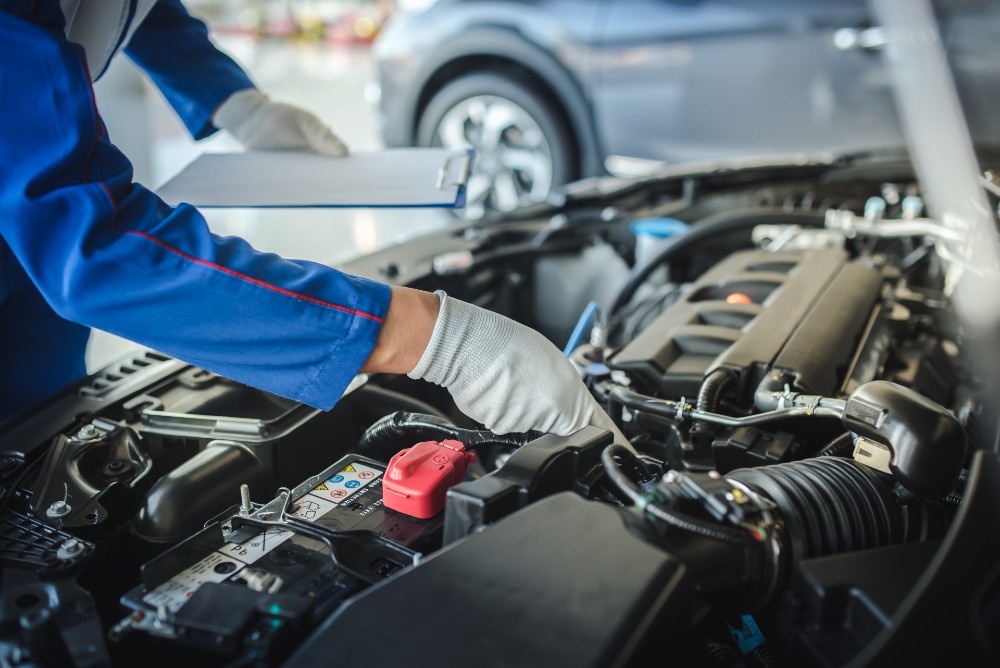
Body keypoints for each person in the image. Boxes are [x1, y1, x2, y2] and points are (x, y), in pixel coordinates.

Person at [0, 0, 624, 443]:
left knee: (37, 428)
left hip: (27, 225)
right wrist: (444, 343)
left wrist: (233, 100)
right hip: (32, 206)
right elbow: (96, 247)